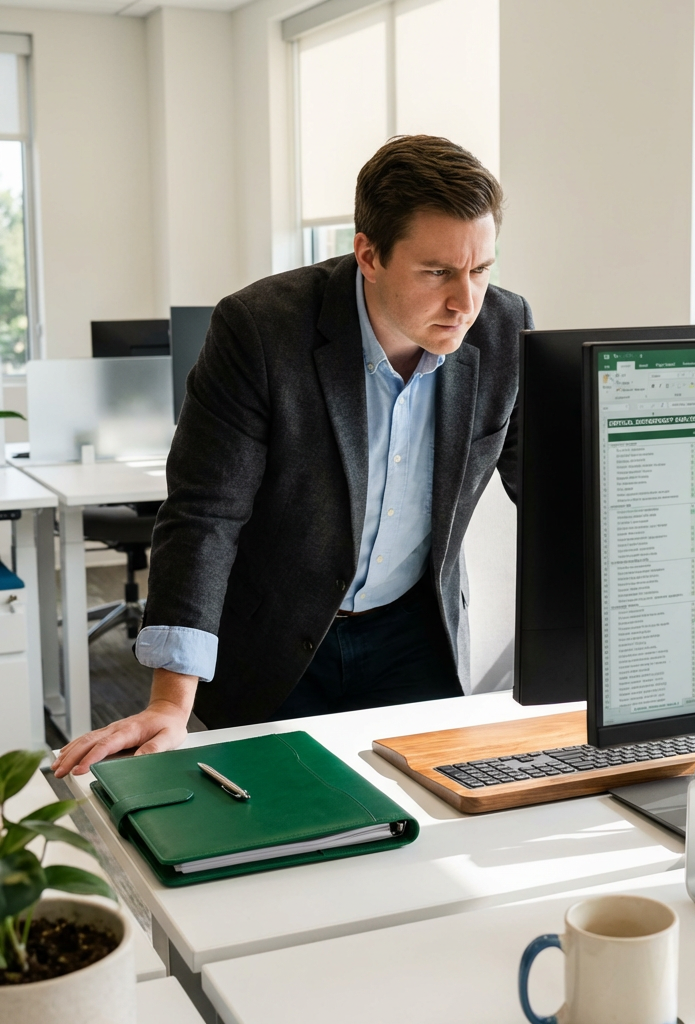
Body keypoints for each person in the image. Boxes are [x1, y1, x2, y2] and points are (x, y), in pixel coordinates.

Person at [53, 135, 532, 778]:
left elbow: (552, 490)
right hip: (277, 635)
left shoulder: (504, 328)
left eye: (480, 270)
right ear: (368, 253)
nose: (464, 303)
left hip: (415, 633)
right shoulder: (259, 329)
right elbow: (205, 514)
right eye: (437, 272)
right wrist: (170, 703)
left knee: (423, 822)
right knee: (269, 817)